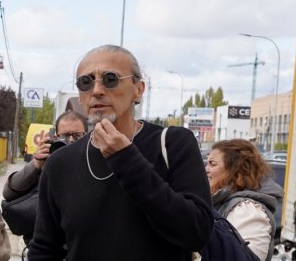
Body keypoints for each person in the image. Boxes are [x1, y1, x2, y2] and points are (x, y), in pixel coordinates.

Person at [28, 45, 213, 260]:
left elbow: (197, 232)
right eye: (86, 82)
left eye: (110, 79)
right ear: (80, 97)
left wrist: (126, 159)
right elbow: (44, 248)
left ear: (139, 89)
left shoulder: (173, 143)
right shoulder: (60, 162)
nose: (96, 90)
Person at [205, 139, 283, 260]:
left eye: (212, 164)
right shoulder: (226, 203)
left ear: (236, 170)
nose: (206, 169)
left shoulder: (247, 210)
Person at [3, 111, 88, 201]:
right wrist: (36, 164)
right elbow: (8, 193)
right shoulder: (48, 162)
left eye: (77, 135)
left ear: (86, 136)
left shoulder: (93, 163)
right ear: (55, 138)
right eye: (65, 136)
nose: (71, 140)